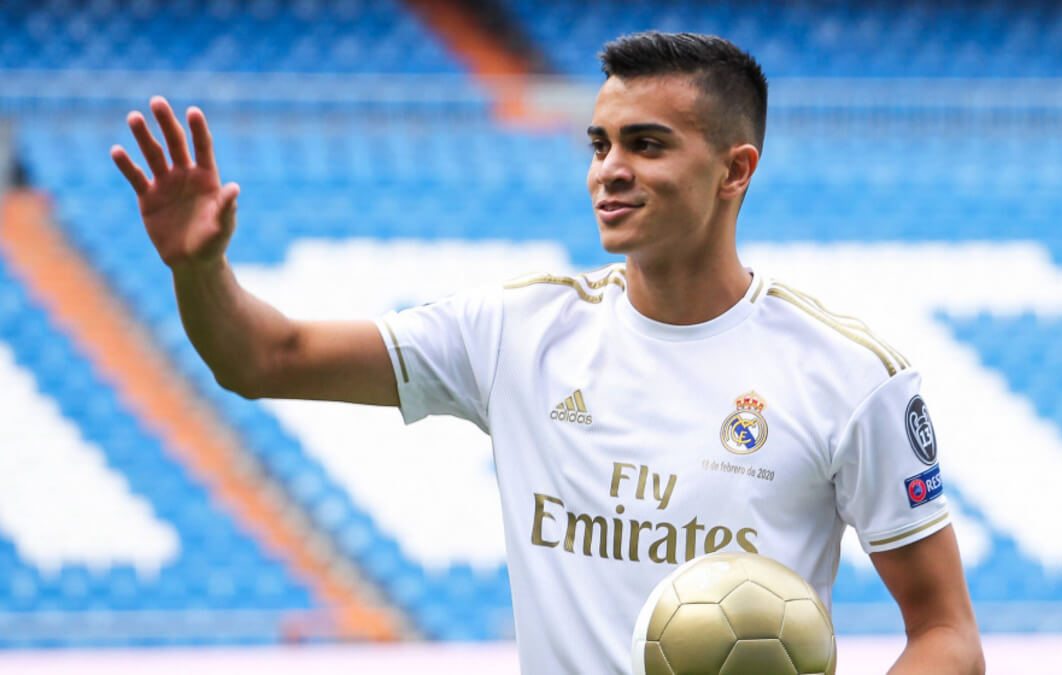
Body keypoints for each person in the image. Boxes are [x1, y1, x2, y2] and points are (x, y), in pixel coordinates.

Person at [112, 31, 984, 675]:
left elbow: (947, 632)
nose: (609, 169)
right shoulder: (516, 332)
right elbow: (266, 357)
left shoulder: (849, 375)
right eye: (599, 144)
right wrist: (201, 268)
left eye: (647, 144)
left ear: (734, 170)